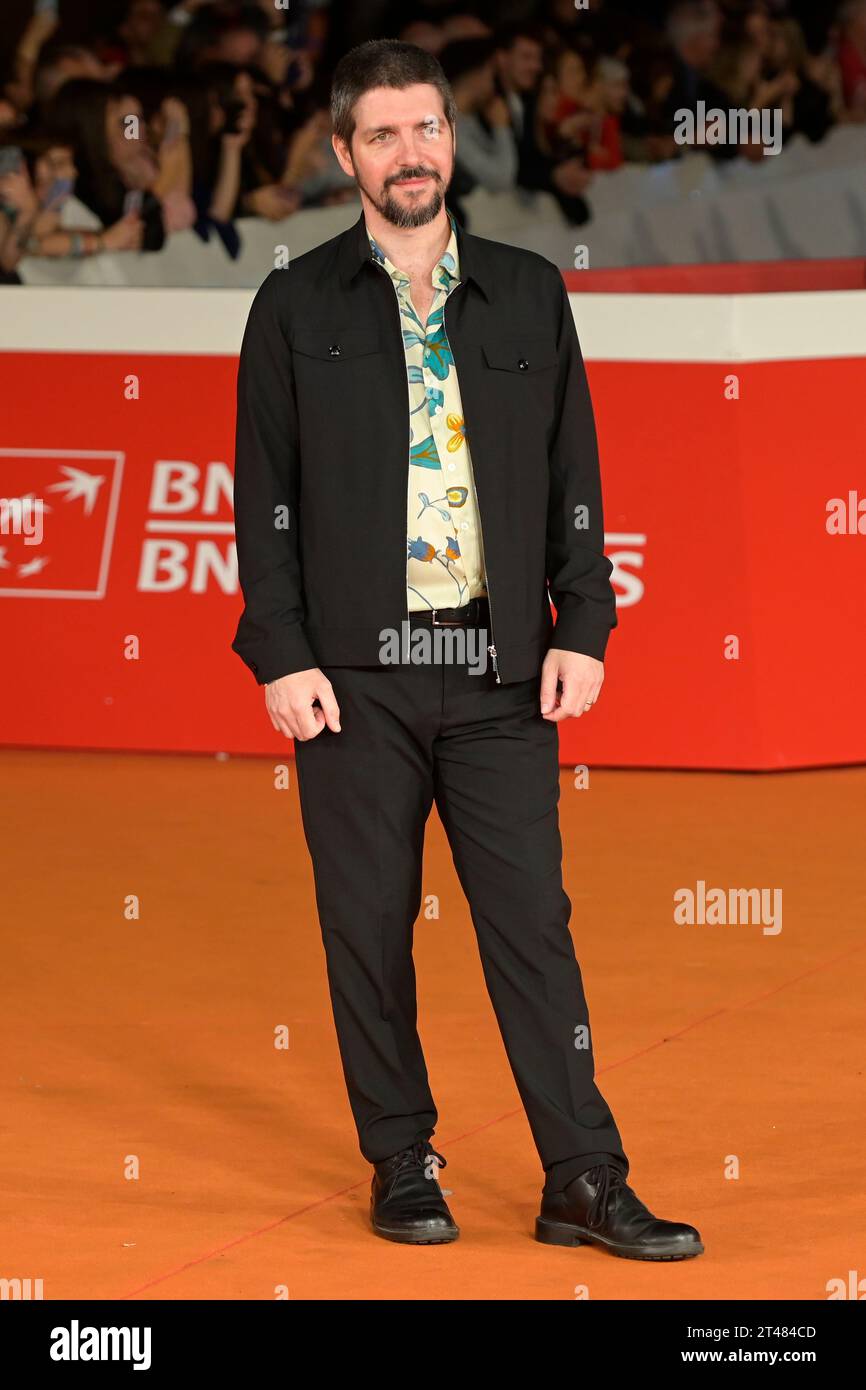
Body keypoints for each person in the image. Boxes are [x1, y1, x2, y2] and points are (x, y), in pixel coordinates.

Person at [231, 37, 704, 1261]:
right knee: (367, 924)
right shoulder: (292, 303)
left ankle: (582, 1176)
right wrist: (281, 653)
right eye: (379, 134)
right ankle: (400, 1159)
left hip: (497, 669)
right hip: (353, 675)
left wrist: (584, 620)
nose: (407, 154)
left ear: (451, 142)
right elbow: (263, 493)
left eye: (424, 129)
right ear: (344, 154)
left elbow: (573, 476)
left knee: (530, 929)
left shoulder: (530, 292)